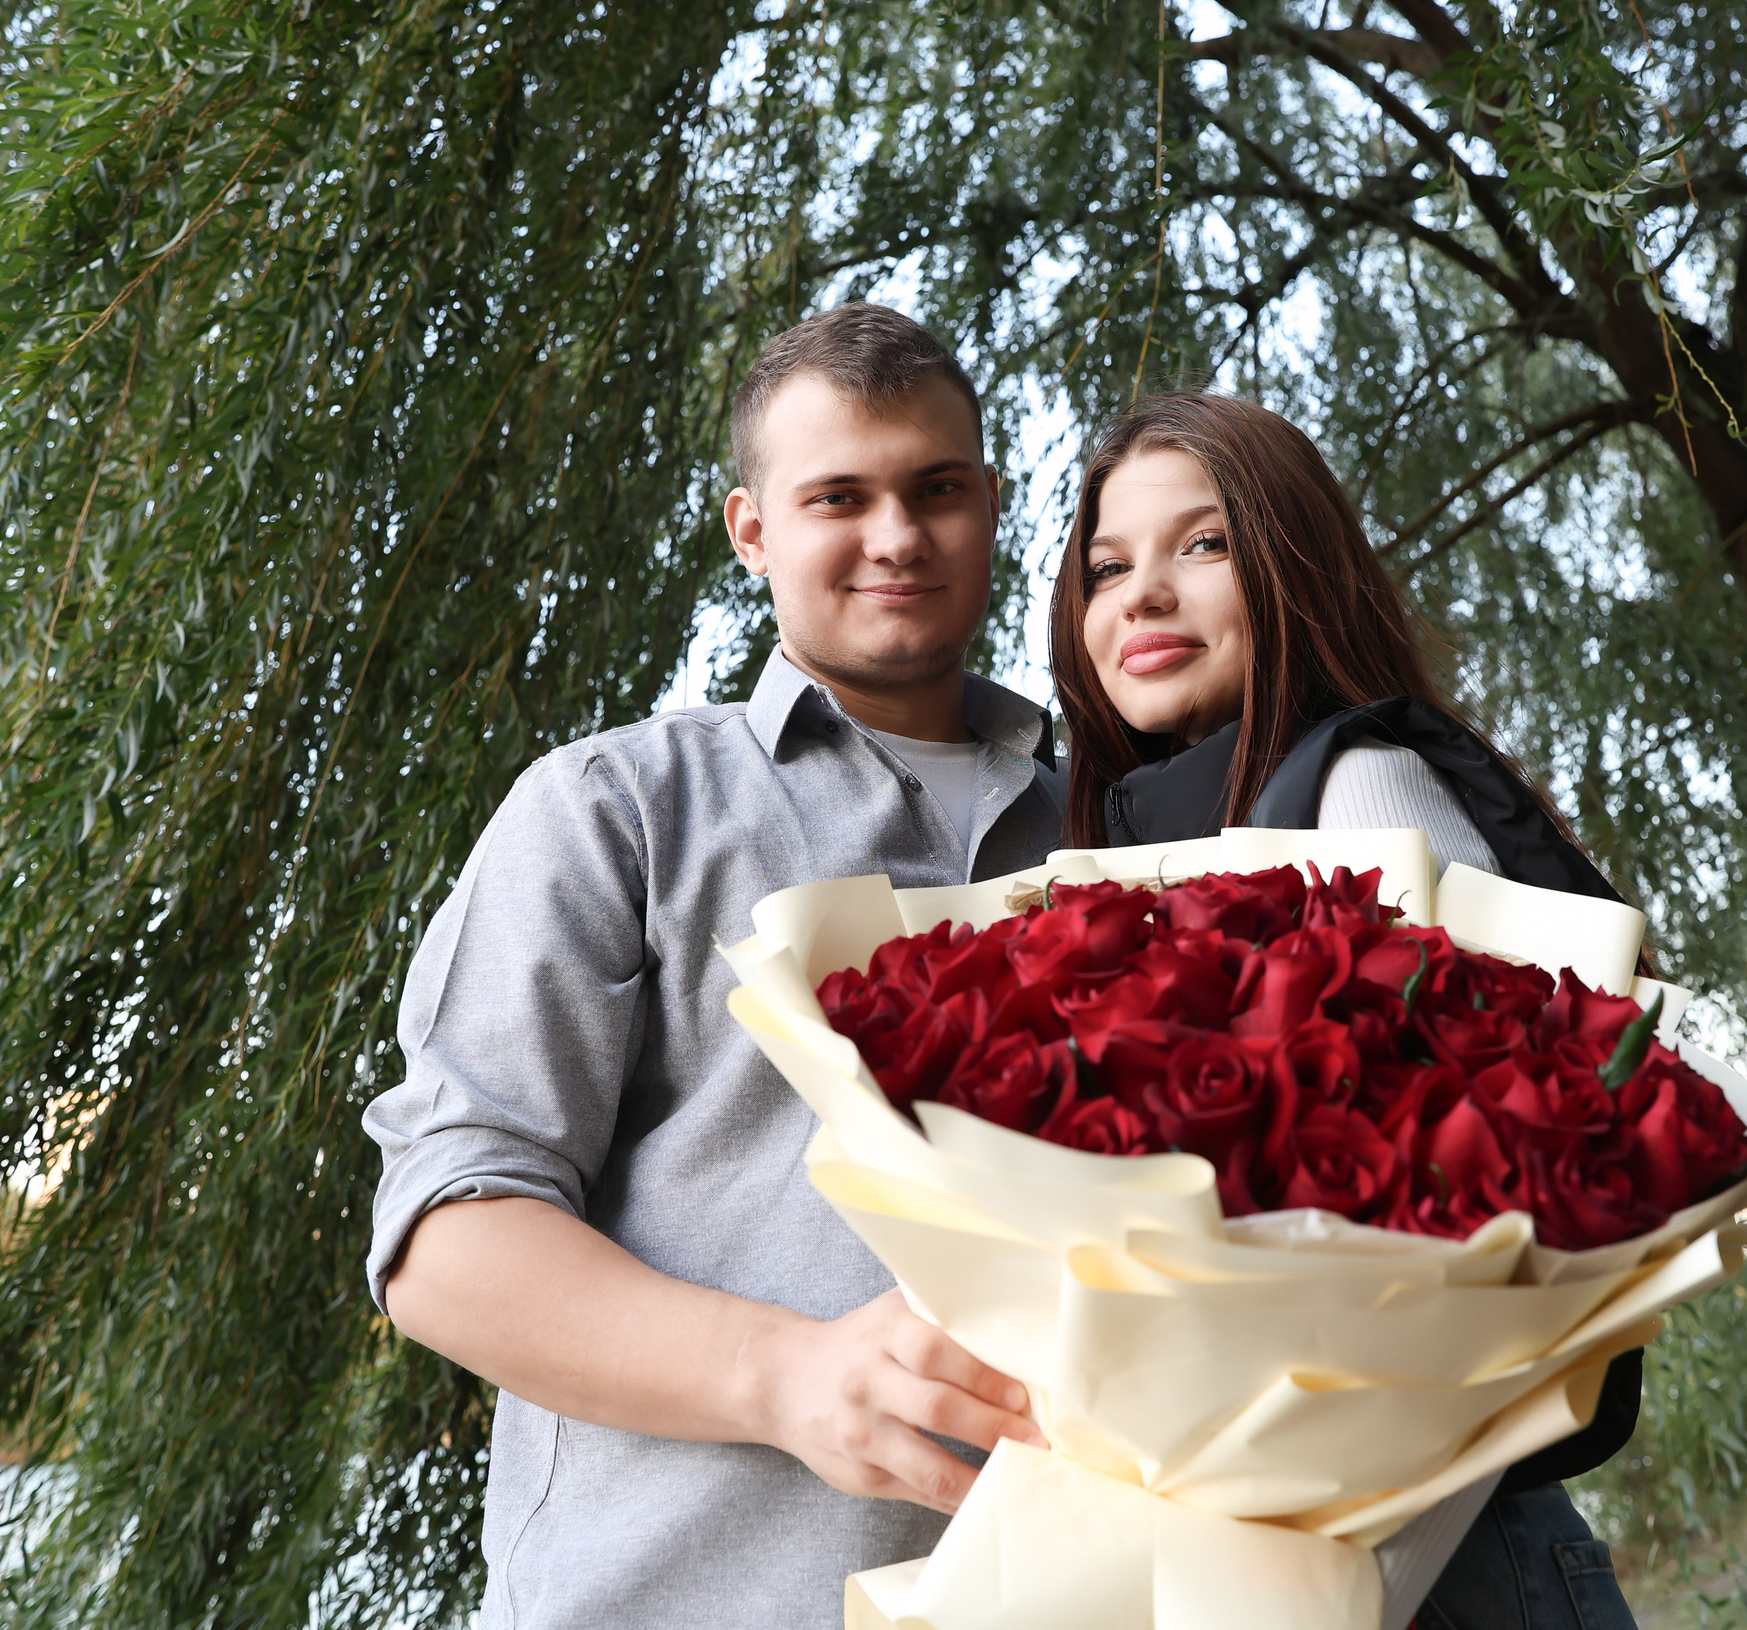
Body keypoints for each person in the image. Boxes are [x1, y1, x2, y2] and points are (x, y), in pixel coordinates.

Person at [365, 303, 1061, 1629]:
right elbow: (446, 1242)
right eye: (838, 497)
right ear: (752, 531)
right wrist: (786, 1376)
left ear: (991, 503)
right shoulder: (617, 807)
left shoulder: (1120, 838)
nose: (896, 535)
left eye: (936, 489)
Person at [1052, 390, 1645, 1630]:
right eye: (1107, 567)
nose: (1141, 595)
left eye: (1202, 545)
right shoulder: (1142, 845)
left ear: (1294, 565)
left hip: (1431, 1558)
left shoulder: (1361, 784)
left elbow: (1480, 1195)